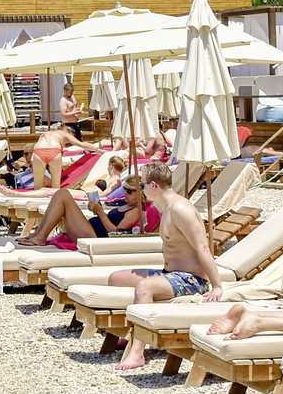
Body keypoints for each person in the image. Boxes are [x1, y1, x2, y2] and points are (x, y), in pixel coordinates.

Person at [112, 165, 227, 371]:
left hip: (191, 280)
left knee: (144, 288)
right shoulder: (162, 206)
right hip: (171, 275)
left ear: (154, 185)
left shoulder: (180, 210)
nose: (141, 189)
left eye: (143, 185)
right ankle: (130, 331)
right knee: (116, 278)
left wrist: (217, 286)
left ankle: (137, 352)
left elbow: (202, 246)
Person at [17, 174, 154, 248]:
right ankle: (37, 234)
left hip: (96, 238)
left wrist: (100, 212)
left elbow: (116, 233)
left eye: (130, 192)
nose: (126, 194)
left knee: (63, 194)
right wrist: (96, 208)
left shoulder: (136, 211)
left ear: (141, 193)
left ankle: (40, 237)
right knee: (61, 194)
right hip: (92, 230)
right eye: (125, 190)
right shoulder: (127, 205)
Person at [27, 124, 84, 189]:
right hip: (54, 151)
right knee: (55, 186)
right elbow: (82, 145)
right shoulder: (65, 135)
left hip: (39, 151)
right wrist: (95, 148)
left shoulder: (46, 134)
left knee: (38, 186)